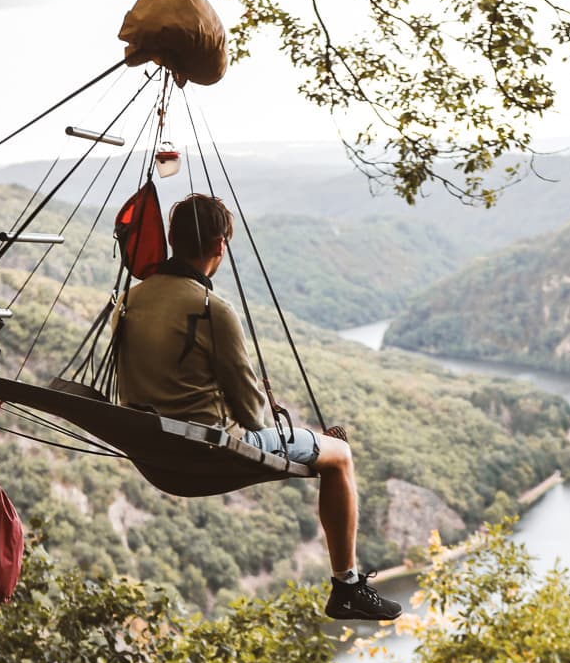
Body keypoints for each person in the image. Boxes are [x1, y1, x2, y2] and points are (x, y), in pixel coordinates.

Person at [116, 193, 401, 621]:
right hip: (209, 452)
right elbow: (253, 417)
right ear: (219, 246)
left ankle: (346, 577)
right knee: (339, 456)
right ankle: (346, 586)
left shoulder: (130, 300)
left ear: (173, 241)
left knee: (321, 446)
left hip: (152, 454)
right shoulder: (211, 309)